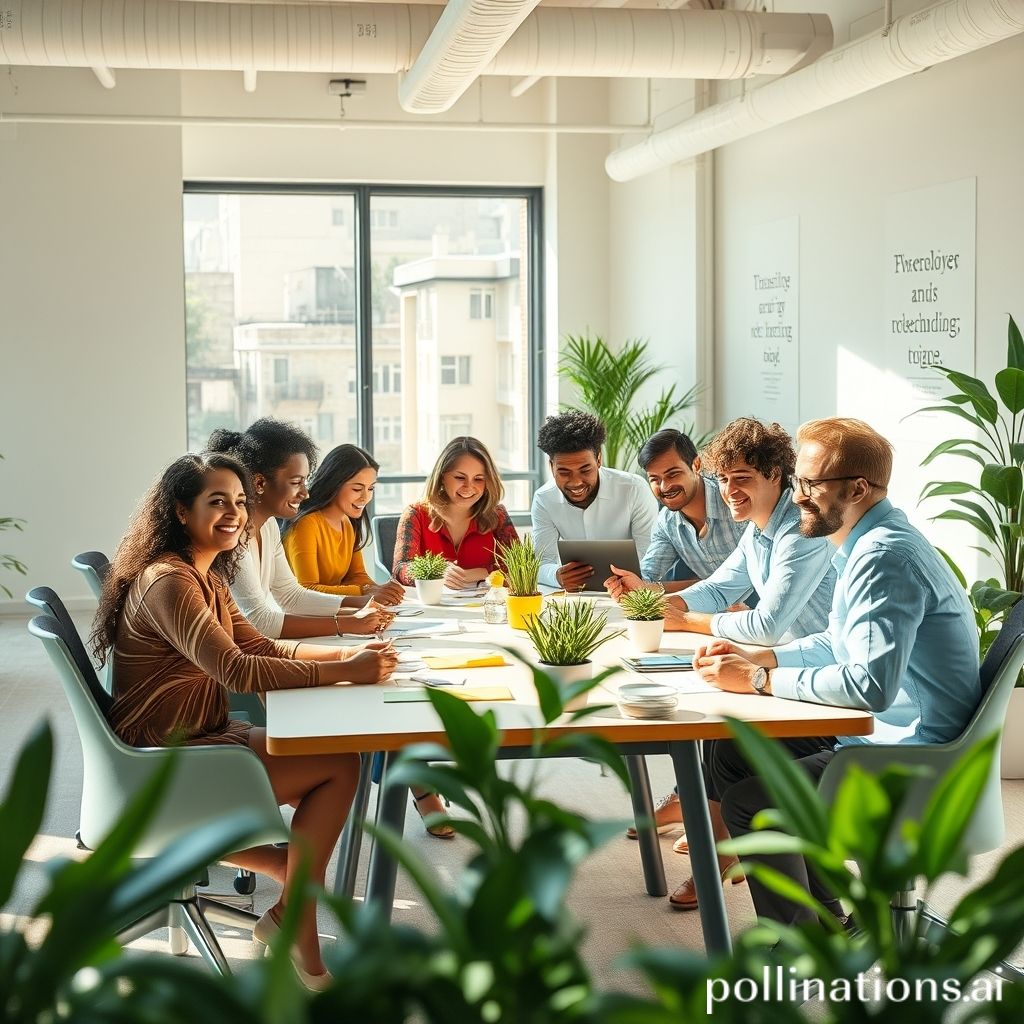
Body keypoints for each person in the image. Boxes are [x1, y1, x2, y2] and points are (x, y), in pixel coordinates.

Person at [91, 452, 399, 988]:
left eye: (239, 501)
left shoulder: (205, 574)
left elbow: (260, 643)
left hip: (202, 735)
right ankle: (293, 912)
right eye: (217, 502)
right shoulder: (170, 582)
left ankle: (289, 902)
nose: (234, 512)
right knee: (338, 768)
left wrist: (351, 656)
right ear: (180, 511)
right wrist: (346, 669)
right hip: (167, 755)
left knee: (338, 762)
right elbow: (237, 669)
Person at [694, 417, 979, 928]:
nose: (797, 495)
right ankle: (828, 925)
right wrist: (767, 659)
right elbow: (839, 641)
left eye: (809, 484)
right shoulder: (868, 542)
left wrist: (760, 683)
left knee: (750, 804)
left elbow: (868, 687)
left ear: (857, 488)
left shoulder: (884, 556)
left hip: (913, 760)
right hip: (886, 734)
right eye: (798, 481)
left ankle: (802, 941)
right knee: (733, 748)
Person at [608, 419, 837, 909]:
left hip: (822, 680)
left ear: (777, 474)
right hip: (786, 664)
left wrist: (691, 623)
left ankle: (721, 854)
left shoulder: (799, 529)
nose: (730, 490)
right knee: (718, 739)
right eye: (725, 478)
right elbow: (716, 590)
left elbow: (769, 623)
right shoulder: (757, 531)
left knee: (723, 734)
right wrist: (660, 603)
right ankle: (725, 855)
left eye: (743, 479)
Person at [207, 420, 398, 641]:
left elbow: (291, 595)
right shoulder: (233, 534)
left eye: (305, 481)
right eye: (296, 482)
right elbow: (259, 620)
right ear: (259, 483)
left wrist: (365, 602)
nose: (305, 493)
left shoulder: (268, 526)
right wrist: (347, 623)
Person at [531, 411, 658, 590]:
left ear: (598, 459)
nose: (576, 482)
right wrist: (557, 576)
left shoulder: (634, 489)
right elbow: (542, 562)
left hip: (632, 592)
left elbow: (649, 557)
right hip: (576, 596)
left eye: (585, 470)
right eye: (564, 472)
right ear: (551, 466)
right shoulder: (544, 499)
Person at [282, 443, 405, 605]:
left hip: (335, 610)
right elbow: (307, 589)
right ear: (335, 484)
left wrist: (382, 590)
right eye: (357, 489)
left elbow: (357, 575)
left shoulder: (348, 522)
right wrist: (365, 591)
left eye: (370, 489)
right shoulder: (306, 525)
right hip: (304, 615)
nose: (365, 498)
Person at [392, 436, 519, 589]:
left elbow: (520, 566)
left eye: (478, 479)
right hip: (434, 609)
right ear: (442, 476)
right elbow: (400, 569)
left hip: (487, 607)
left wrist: (483, 572)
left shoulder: (498, 515)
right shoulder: (415, 514)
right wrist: (435, 572)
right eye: (460, 477)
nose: (468, 487)